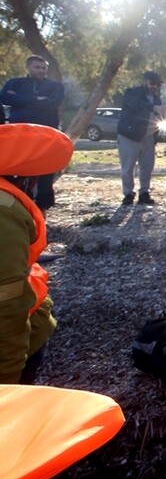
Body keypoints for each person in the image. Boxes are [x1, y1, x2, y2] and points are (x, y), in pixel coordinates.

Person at [0, 124, 73, 384]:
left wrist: (8, 379)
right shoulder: (5, 213)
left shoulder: (5, 215)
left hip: (21, 335)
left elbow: (8, 303)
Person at [0, 55, 65, 211]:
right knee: (18, 168)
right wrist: (37, 98)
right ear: (28, 67)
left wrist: (21, 99)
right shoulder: (15, 83)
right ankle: (17, 203)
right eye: (37, 67)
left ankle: (43, 207)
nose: (41, 71)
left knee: (45, 170)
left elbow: (54, 102)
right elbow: (4, 98)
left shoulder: (55, 86)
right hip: (20, 135)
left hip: (47, 135)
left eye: (43, 68)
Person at [117, 71, 165, 205]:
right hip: (130, 135)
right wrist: (153, 107)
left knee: (147, 167)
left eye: (158, 84)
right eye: (152, 83)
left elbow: (157, 116)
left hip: (148, 136)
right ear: (144, 81)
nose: (154, 86)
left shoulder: (156, 98)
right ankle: (128, 193)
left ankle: (144, 192)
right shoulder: (132, 93)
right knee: (128, 167)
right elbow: (135, 105)